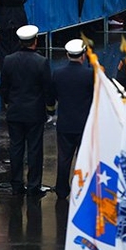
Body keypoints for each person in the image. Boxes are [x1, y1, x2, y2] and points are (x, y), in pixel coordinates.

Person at [0, 25, 52, 196]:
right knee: (35, 149)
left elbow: (4, 87)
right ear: (35, 41)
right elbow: (47, 88)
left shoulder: (9, 60)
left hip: (15, 110)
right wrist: (50, 108)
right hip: (34, 112)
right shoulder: (41, 62)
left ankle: (16, 183)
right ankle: (34, 185)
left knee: (16, 148)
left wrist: (8, 103)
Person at [49, 38, 93, 200]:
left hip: (65, 123)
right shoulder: (90, 74)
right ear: (83, 56)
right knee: (84, 158)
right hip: (84, 124)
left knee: (64, 158)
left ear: (67, 55)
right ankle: (83, 187)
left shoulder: (58, 73)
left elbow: (52, 96)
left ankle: (61, 189)